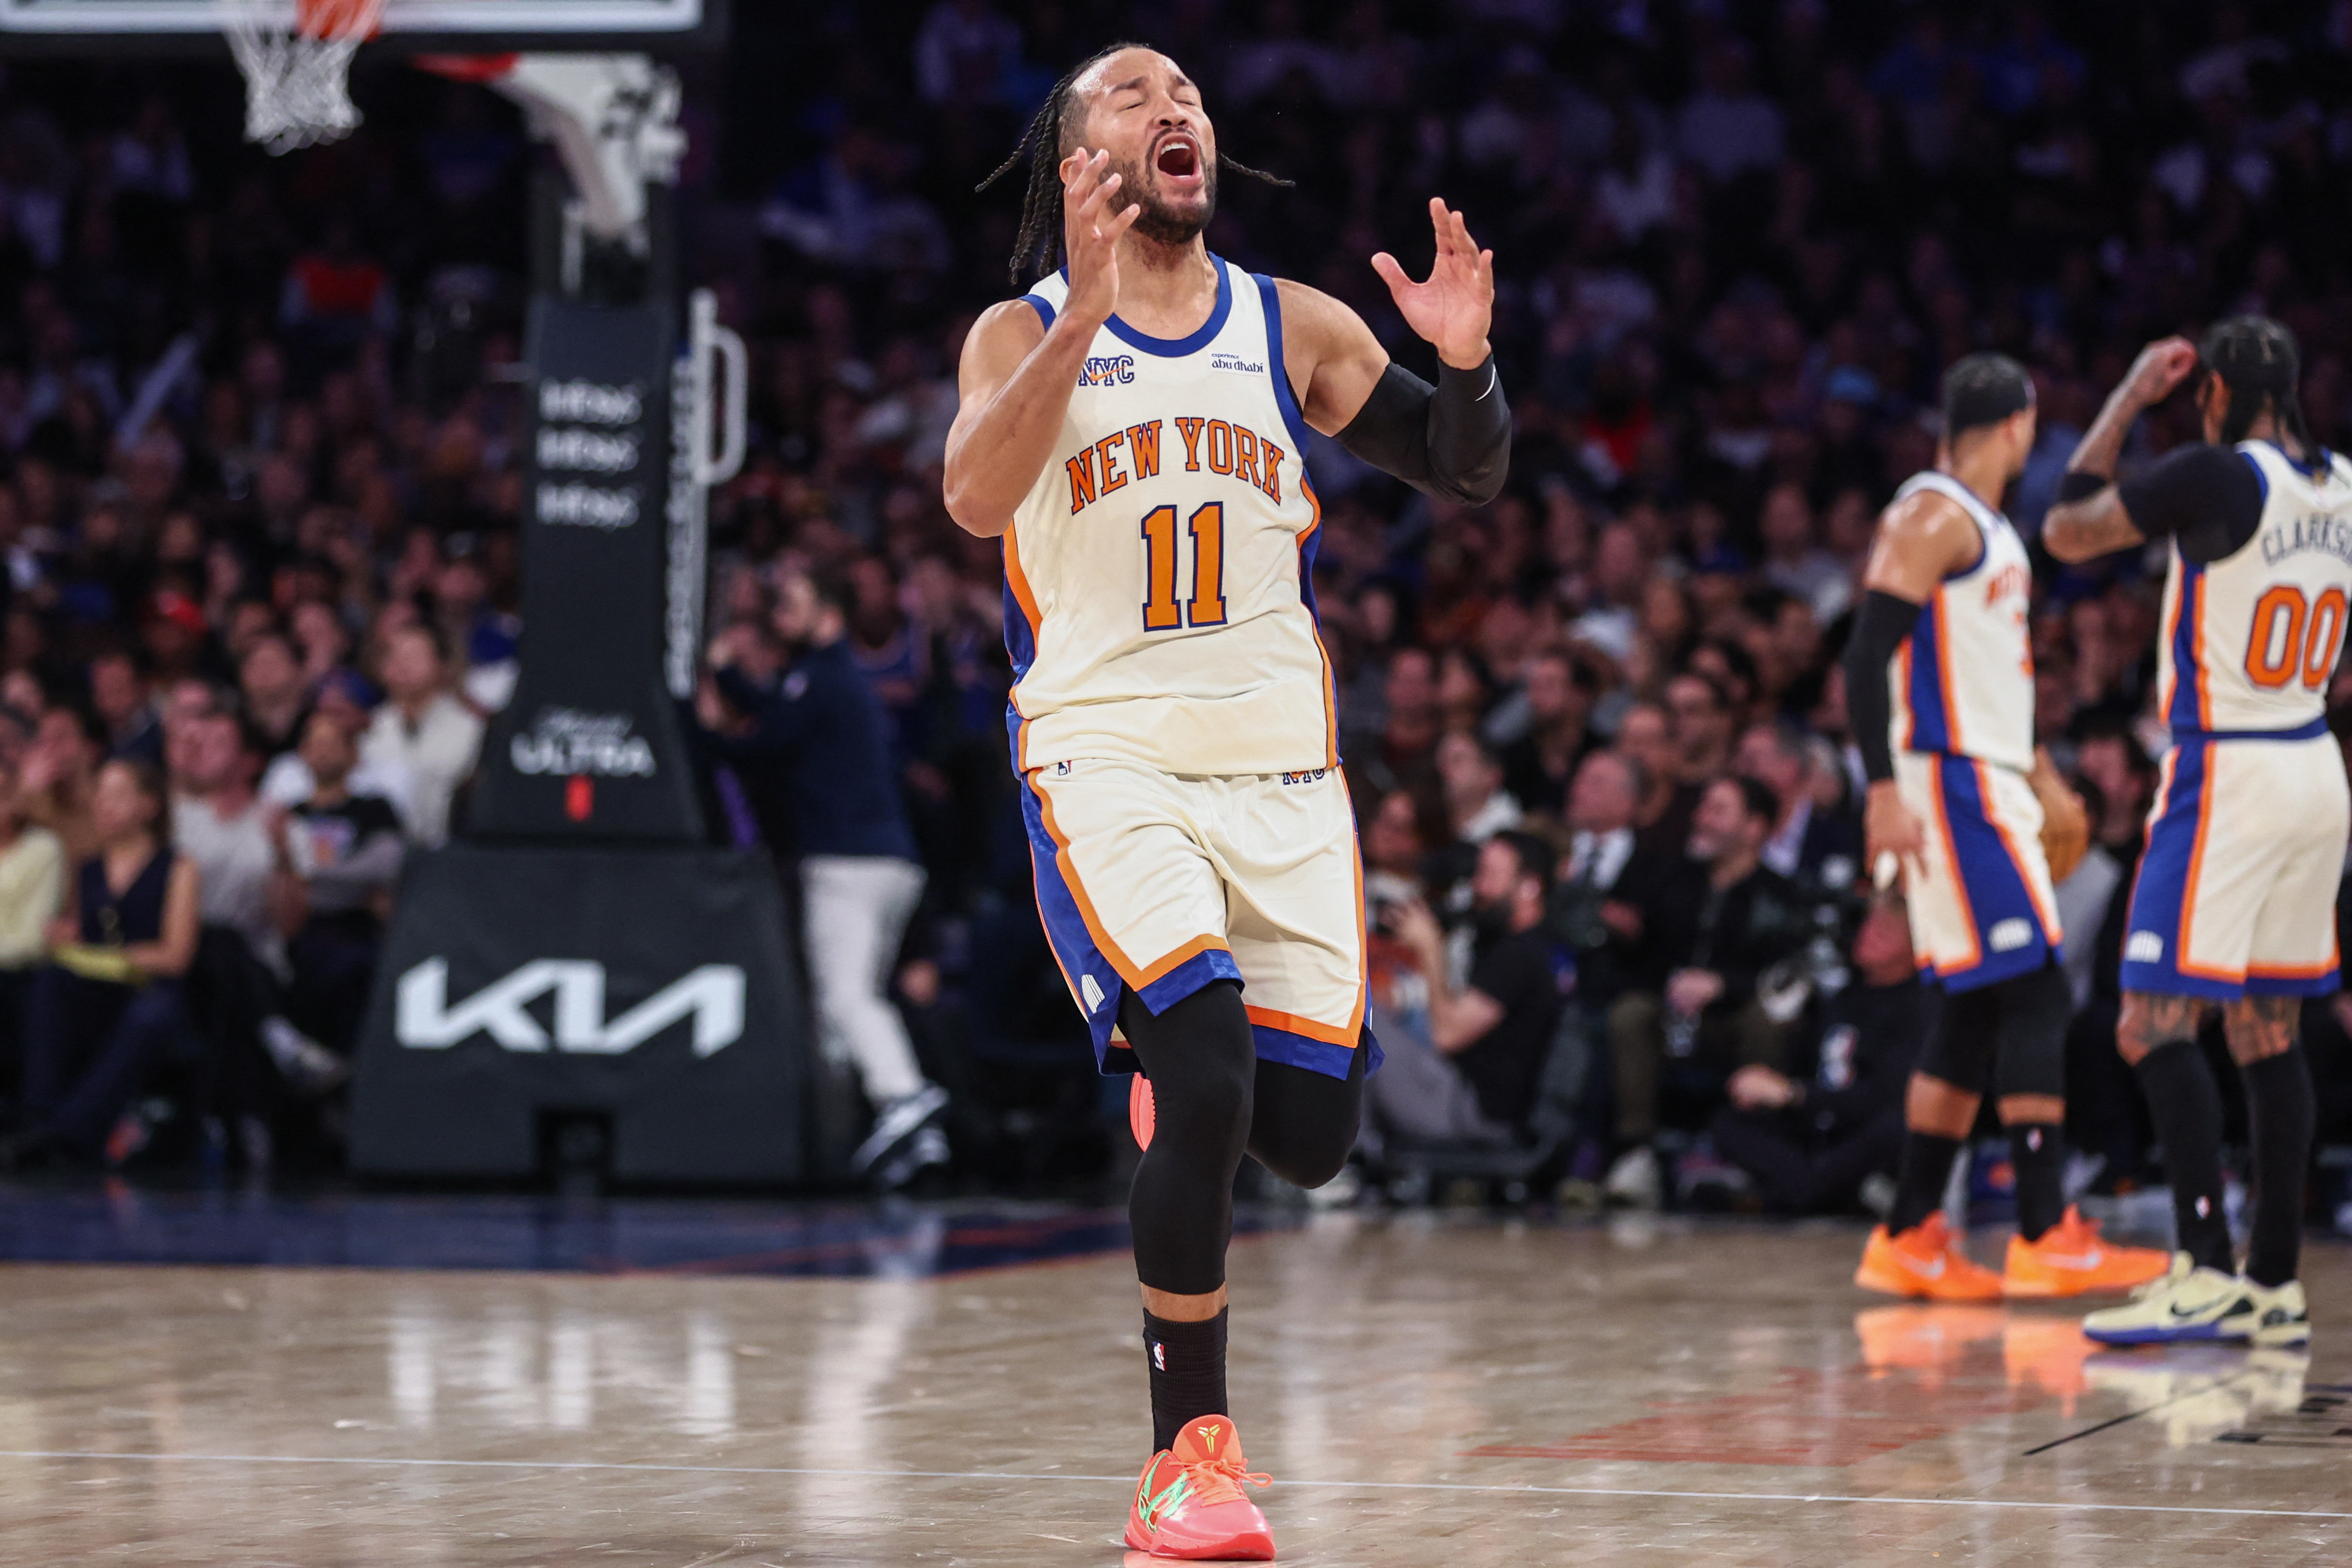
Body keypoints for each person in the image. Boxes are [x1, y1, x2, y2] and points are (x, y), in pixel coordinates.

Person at [947, 42, 1508, 1560]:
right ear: (1077, 161)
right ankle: (1184, 1462)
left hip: (1281, 774)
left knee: (1313, 1135)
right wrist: (1080, 316)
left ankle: (1170, 1053)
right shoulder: (1018, 330)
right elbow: (976, 497)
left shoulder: (1292, 323)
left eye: (1183, 92)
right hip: (1106, 754)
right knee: (1202, 1078)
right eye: (1129, 96)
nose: (1171, 107)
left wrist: (1464, 360)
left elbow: (1466, 471)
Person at [1843, 351, 2168, 1302]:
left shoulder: (1982, 527)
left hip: (1986, 772)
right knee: (2035, 995)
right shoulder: (1929, 512)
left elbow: (1978, 673)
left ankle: (1906, 1232)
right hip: (1944, 783)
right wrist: (1877, 789)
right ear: (2021, 424)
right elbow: (1863, 660)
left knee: (1975, 1008)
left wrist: (2034, 766)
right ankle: (2039, 1229)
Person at [2044, 319, 2342, 1348]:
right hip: (2314, 762)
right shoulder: (2339, 482)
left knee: (2146, 1022)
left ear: (2210, 392)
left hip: (2228, 764)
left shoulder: (2219, 475)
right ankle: (2271, 1283)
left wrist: (2128, 399)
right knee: (2267, 1029)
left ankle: (2202, 1267)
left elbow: (2067, 528)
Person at [700, 566, 948, 1191]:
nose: (780, 613)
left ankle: (904, 1097)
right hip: (890, 865)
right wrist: (727, 677)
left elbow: (765, 745)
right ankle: (906, 1141)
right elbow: (776, 711)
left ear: (828, 610)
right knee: (851, 1007)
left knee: (845, 999)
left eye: (794, 602)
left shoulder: (823, 678)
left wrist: (697, 724)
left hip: (850, 867)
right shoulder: (825, 681)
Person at [1603, 775, 1806, 1208]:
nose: (1702, 819)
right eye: (1703, 808)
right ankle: (1636, 1152)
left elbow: (1790, 975)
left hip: (1732, 1018)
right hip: (1672, 1013)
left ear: (1754, 827)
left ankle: (1751, 1150)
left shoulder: (1780, 896)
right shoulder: (1674, 880)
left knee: (1766, 1019)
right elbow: (1645, 958)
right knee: (1631, 1012)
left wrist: (1722, 985)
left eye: (1718, 810)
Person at [8, 759, 199, 1167]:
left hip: (150, 989)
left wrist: (115, 956)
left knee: (150, 1017)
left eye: (117, 795)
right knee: (50, 981)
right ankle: (37, 1113)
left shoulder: (177, 866)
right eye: (100, 795)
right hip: (99, 987)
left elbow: (176, 954)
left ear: (149, 805)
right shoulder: (89, 867)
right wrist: (65, 938)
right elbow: (81, 933)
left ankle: (68, 1132)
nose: (104, 805)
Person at [1709, 893, 1932, 1214]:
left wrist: (1796, 1094)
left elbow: (1889, 1095)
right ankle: (1829, 1191)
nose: (1868, 938)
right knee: (1731, 1121)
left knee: (1900, 1127)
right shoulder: (1841, 996)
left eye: (1885, 934)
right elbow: (1808, 1068)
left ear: (1915, 947)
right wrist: (1770, 1084)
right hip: (1819, 1124)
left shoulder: (1922, 1008)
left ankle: (1793, 1193)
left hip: (1865, 1127)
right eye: (1868, 928)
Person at [1377, 831, 1567, 1147]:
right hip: (1464, 1097)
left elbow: (1446, 1036)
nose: (1478, 887)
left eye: (1490, 875)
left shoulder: (1522, 954)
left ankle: (1339, 1164)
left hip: (1474, 1112)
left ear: (1530, 887)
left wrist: (1430, 948)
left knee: (1363, 1027)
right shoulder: (1522, 944)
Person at [282, 709, 405, 1056]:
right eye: (314, 743)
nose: (322, 751)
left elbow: (387, 866)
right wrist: (353, 887)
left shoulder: (375, 809)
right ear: (302, 754)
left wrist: (312, 879)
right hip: (301, 930)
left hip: (360, 929)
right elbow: (278, 881)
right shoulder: (288, 815)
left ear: (354, 755)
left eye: (332, 743)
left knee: (358, 969)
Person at [360, 624, 482, 847]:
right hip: (381, 856)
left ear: (442, 665)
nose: (403, 665)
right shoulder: (369, 728)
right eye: (395, 656)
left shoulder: (470, 728)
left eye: (415, 656)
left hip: (447, 851)